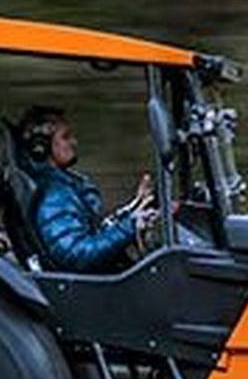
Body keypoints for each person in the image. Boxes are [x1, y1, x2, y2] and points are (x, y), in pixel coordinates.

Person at [16, 105, 157, 273]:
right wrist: (130, 227)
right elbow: (78, 255)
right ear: (40, 147)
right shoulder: (54, 196)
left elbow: (95, 232)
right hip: (87, 285)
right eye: (66, 137)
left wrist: (135, 209)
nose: (74, 142)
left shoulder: (63, 184)